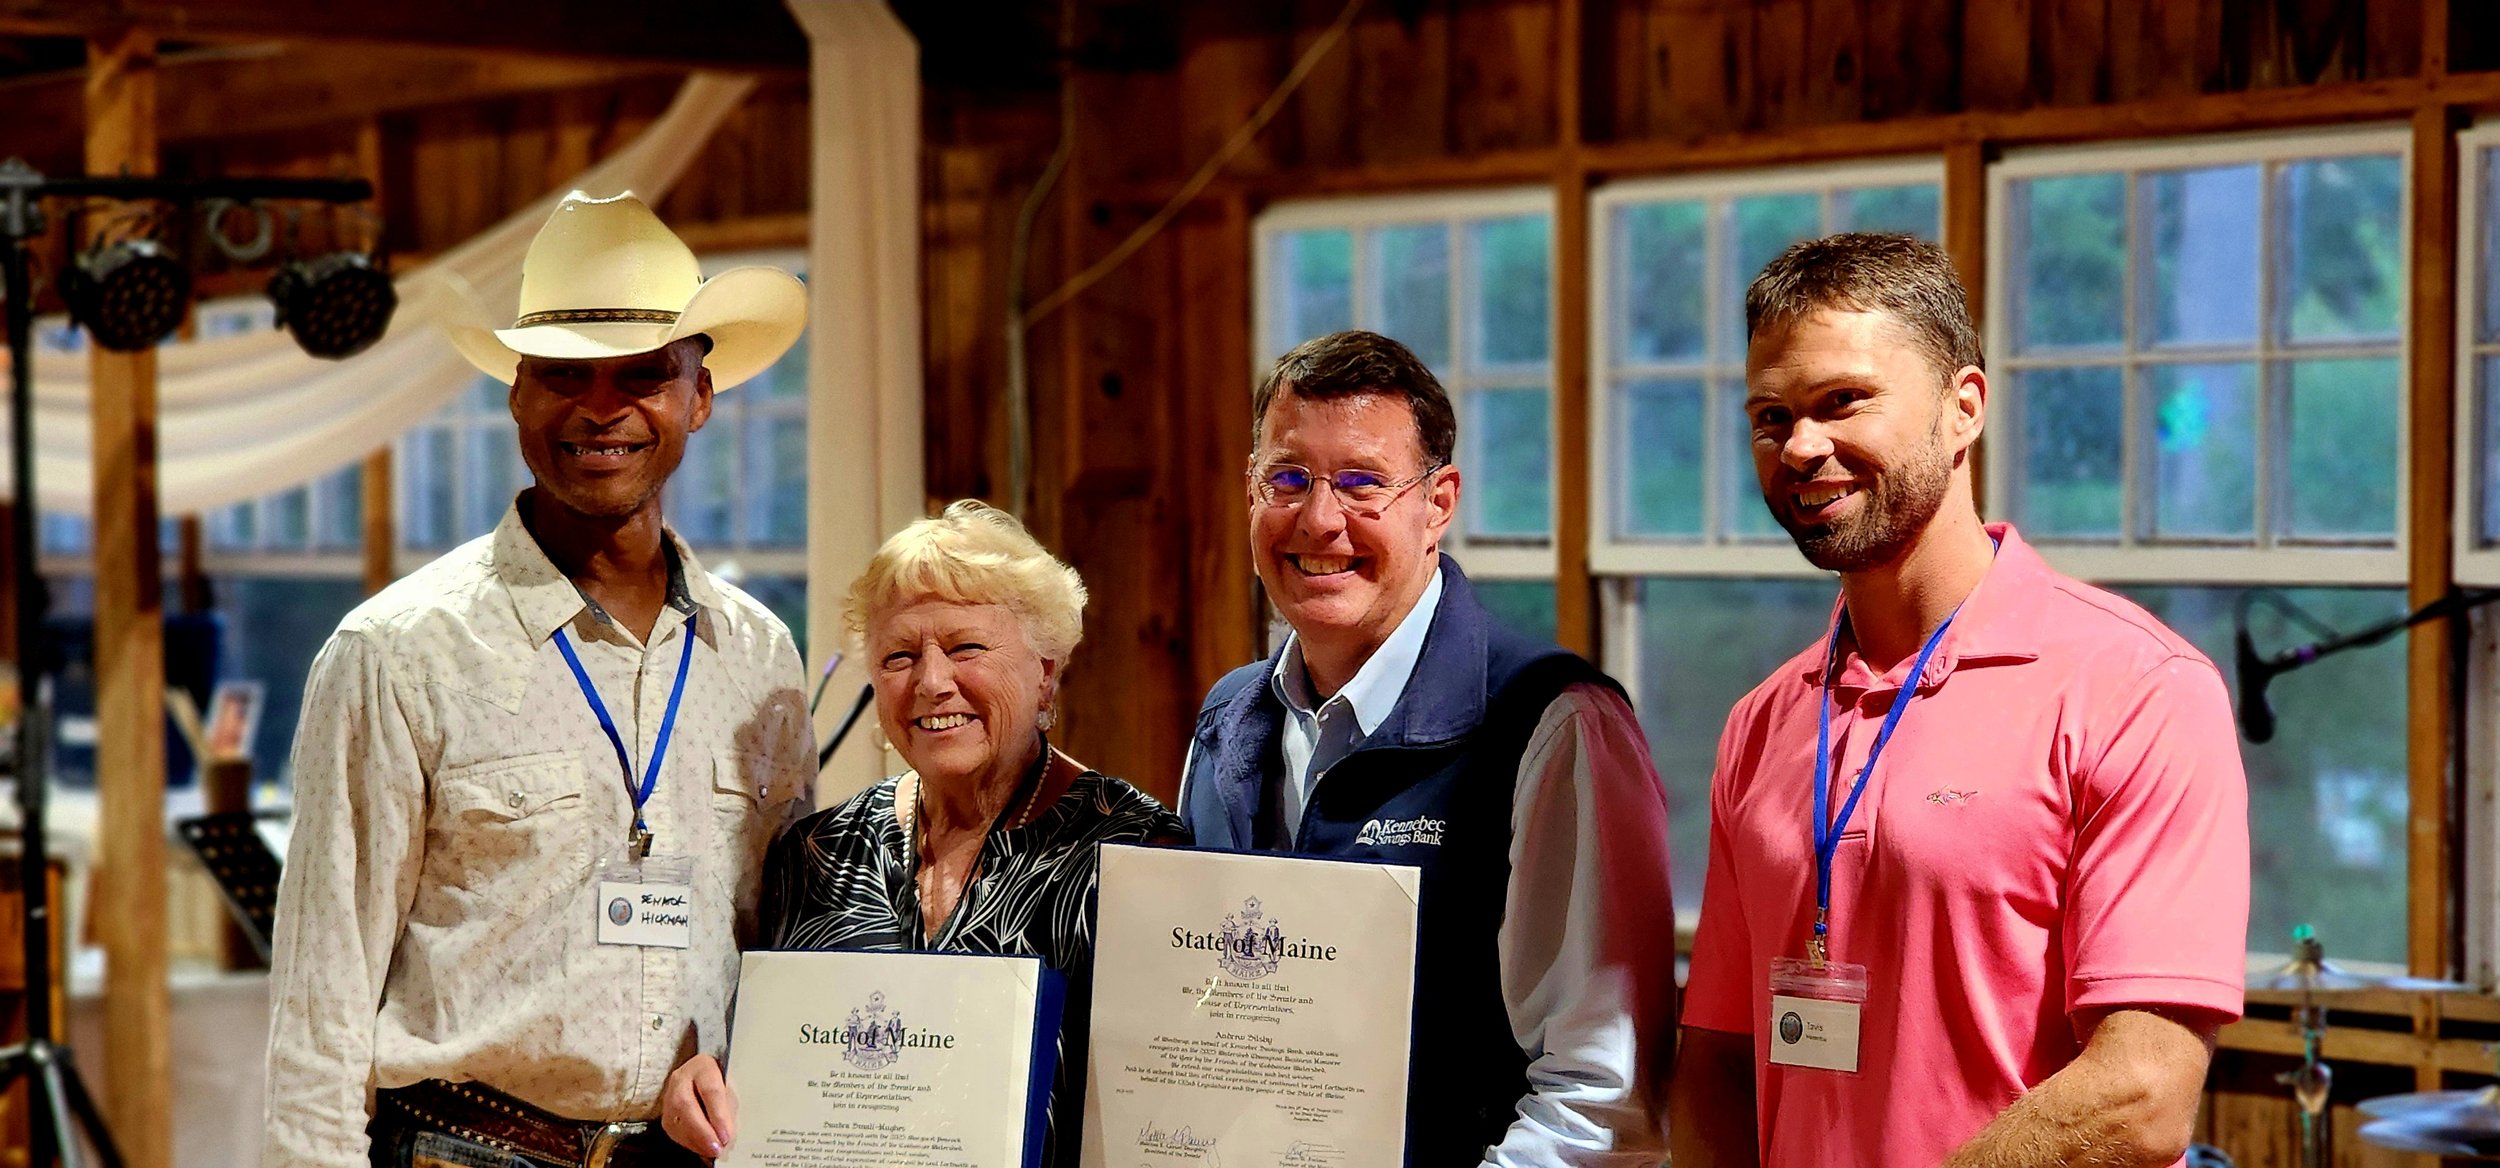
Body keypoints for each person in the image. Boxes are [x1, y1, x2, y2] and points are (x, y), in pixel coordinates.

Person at [1667, 232, 2250, 1167]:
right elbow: (1719, 1062)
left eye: (1842, 402)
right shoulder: (1765, 722)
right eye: (1770, 415)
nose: (1802, 446)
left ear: (1963, 407)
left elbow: (2141, 1094)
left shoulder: (2137, 691)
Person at [263, 190, 816, 1168]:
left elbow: (786, 950)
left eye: (642, 374)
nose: (602, 407)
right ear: (516, 391)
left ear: (699, 397)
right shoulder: (395, 651)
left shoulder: (761, 654)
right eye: (566, 374)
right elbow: (322, 998)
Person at [1177, 330, 1677, 1166]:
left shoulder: (1551, 725)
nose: (1319, 518)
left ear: (1438, 502)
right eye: (1288, 479)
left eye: (1363, 483)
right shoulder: (1228, 717)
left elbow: (1603, 1106)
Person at [658, 501, 1186, 1168]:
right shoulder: (818, 853)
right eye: (899, 656)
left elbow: (1167, 1112)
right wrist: (708, 1086)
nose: (932, 683)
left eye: (966, 647)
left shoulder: (1138, 854)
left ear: (1045, 672)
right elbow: (777, 1074)